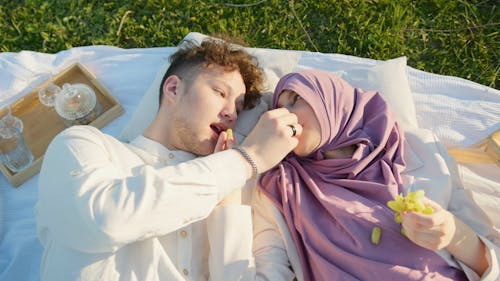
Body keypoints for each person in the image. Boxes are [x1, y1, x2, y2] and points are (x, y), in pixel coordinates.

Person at [35, 38, 302, 281]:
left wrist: (230, 198)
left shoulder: (232, 193)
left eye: (239, 108)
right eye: (220, 93)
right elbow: (106, 220)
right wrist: (244, 161)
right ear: (173, 89)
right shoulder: (82, 144)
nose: (231, 114)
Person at [251, 69, 500, 281]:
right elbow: (268, 266)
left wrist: (454, 234)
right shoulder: (280, 185)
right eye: (277, 110)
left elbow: (493, 258)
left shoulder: (419, 149)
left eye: (295, 99)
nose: (284, 117)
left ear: (331, 101)